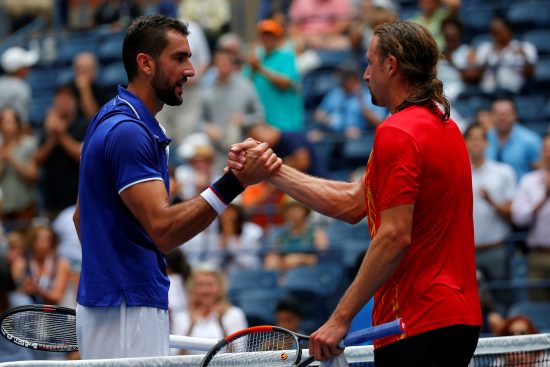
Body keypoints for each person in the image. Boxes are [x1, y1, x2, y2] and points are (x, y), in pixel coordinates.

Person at [229, 20, 481, 366]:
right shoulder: (446, 127)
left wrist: (340, 318)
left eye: (370, 63)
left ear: (391, 66)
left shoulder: (397, 132)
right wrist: (272, 170)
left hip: (415, 322)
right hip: (457, 320)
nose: (365, 75)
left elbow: (393, 235)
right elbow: (350, 204)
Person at [73, 15, 280, 360]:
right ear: (146, 63)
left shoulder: (112, 118)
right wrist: (236, 181)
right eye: (180, 58)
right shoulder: (129, 131)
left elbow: (83, 218)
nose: (191, 70)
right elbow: (164, 232)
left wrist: (112, 271)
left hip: (119, 301)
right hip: (127, 304)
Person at [464, 123, 516, 282]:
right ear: (465, 142)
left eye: (479, 139)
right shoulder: (457, 173)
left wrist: (491, 201)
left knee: (503, 297)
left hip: (497, 249)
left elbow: (513, 212)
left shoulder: (503, 172)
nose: (475, 143)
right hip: (466, 252)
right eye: (471, 139)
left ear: (487, 143)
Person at [34, 85, 88, 220]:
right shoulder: (47, 128)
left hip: (77, 199)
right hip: (52, 200)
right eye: (59, 99)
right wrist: (53, 136)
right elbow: (37, 159)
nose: (62, 103)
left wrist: (61, 135)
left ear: (75, 102)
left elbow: (81, 156)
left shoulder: (82, 125)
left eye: (66, 99)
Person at [171, 265, 247, 353]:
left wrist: (221, 322)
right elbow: (175, 356)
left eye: (209, 284)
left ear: (220, 287)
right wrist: (191, 326)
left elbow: (238, 354)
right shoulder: (181, 317)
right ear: (193, 288)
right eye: (200, 285)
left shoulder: (235, 314)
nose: (205, 290)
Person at [511, 134, 550, 301]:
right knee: (537, 307)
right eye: (547, 149)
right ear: (541, 153)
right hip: (538, 256)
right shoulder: (529, 181)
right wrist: (544, 197)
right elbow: (518, 218)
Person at [485, 96, 542, 180]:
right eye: (498, 114)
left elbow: (541, 173)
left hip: (520, 191)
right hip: (488, 189)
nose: (502, 118)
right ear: (491, 116)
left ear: (515, 115)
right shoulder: (484, 138)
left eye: (507, 114)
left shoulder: (530, 141)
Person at [0, 107, 39, 224]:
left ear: (18, 124)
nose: (8, 126)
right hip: (3, 207)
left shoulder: (29, 144)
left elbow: (32, 175)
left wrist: (12, 159)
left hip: (25, 205)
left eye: (11, 121)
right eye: (4, 121)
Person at [0, 46, 38, 125]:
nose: (29, 69)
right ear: (20, 69)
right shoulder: (22, 88)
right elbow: (23, 120)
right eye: (26, 66)